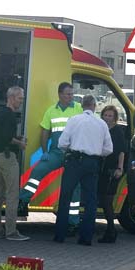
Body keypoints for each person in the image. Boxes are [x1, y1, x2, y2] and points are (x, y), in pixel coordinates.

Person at [19, 82, 84, 233]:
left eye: (72, 94)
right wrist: (44, 151)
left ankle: (73, 222)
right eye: (68, 94)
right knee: (37, 171)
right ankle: (23, 200)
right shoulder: (51, 111)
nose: (71, 97)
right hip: (55, 153)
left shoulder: (78, 108)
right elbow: (44, 132)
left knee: (75, 189)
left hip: (73, 154)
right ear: (60, 95)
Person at [54, 94, 113, 245]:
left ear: (82, 106)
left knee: (65, 197)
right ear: (94, 106)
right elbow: (108, 149)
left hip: (74, 161)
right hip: (92, 163)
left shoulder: (74, 120)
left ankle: (60, 235)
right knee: (90, 200)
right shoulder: (101, 124)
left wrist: (71, 149)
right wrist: (96, 152)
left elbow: (62, 143)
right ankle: (86, 238)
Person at [0, 86, 29, 241]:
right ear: (11, 98)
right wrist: (20, 143)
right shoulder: (10, 115)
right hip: (7, 157)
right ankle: (11, 231)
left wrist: (16, 138)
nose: (21, 101)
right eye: (20, 98)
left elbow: (0, 135)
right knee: (12, 194)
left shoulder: (0, 113)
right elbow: (7, 137)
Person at [97, 105, 126, 243]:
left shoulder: (117, 131)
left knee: (107, 201)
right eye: (105, 115)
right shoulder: (100, 129)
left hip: (112, 171)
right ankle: (110, 230)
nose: (107, 118)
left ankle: (111, 231)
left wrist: (120, 168)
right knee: (103, 200)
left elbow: (121, 151)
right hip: (102, 170)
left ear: (115, 118)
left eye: (110, 116)